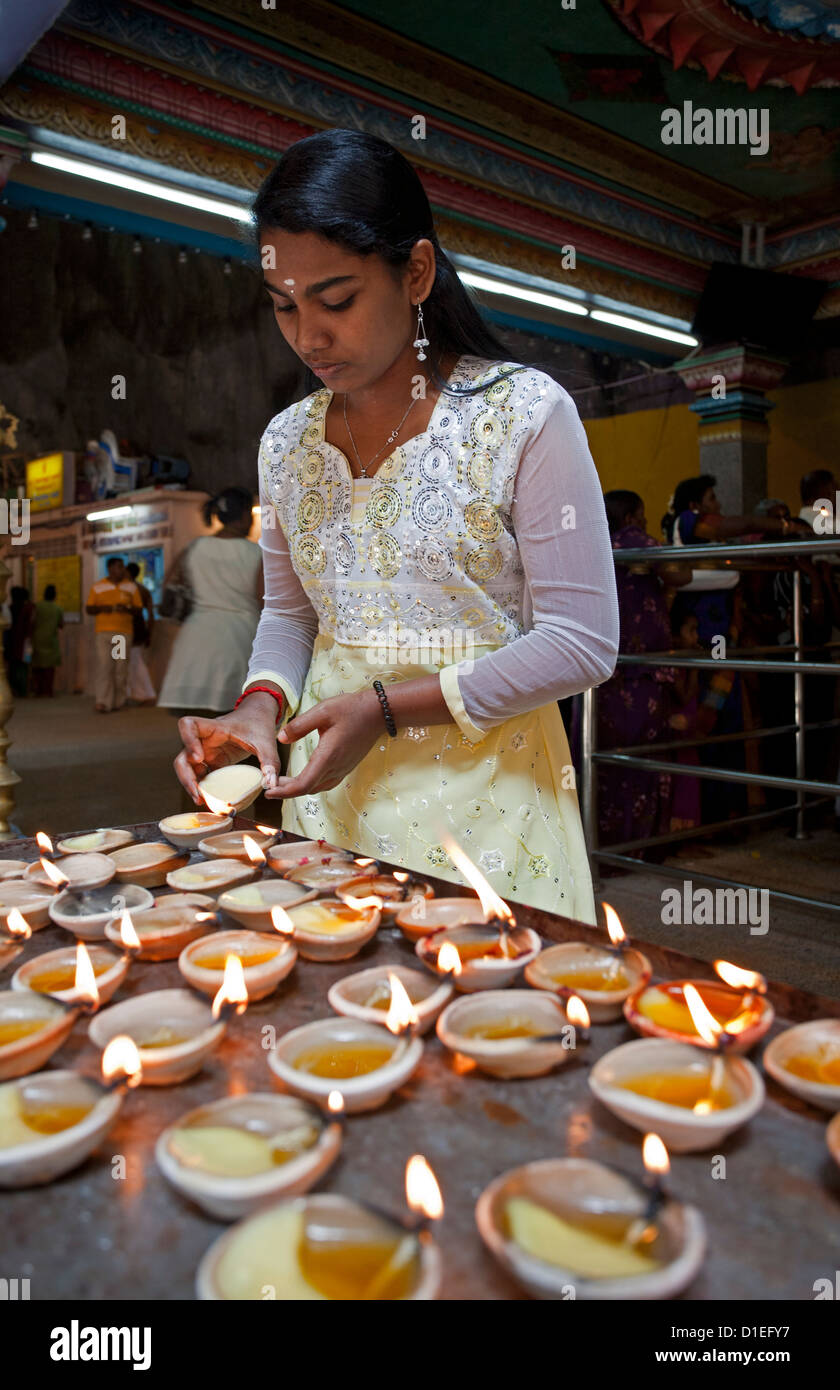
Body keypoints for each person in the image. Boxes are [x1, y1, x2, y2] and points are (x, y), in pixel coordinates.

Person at [172, 128, 620, 923]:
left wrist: (382, 708)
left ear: (415, 273)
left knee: (486, 1024)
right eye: (285, 306)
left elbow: (582, 640)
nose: (308, 335)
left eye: (336, 300)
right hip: (333, 795)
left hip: (492, 802)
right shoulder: (287, 442)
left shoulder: (520, 414)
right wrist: (259, 705)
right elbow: (292, 612)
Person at [589, 490, 692, 856]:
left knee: (605, 760)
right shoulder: (634, 540)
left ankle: (607, 846)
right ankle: (641, 846)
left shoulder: (593, 541)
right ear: (632, 517)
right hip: (640, 672)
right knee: (643, 759)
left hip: (604, 669)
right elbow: (681, 573)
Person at [157, 488, 262, 716]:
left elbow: (169, 586)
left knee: (196, 730)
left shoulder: (194, 548)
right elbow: (266, 601)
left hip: (195, 642)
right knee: (243, 723)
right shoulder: (257, 553)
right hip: (240, 641)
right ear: (245, 515)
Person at [85, 556, 142, 713]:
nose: (121, 570)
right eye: (118, 566)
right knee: (104, 666)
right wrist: (104, 608)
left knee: (119, 668)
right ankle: (102, 701)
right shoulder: (98, 587)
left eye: (122, 567)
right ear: (109, 568)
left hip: (122, 634)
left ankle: (118, 701)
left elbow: (138, 609)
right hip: (103, 632)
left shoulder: (131, 587)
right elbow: (89, 609)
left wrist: (127, 609)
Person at [125, 561, 156, 704]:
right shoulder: (143, 589)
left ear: (127, 573)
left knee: (133, 662)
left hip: (130, 630)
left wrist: (148, 633)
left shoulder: (129, 589)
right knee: (131, 661)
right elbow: (150, 615)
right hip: (137, 629)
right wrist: (149, 632)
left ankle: (146, 694)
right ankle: (131, 694)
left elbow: (150, 614)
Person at [30, 583, 64, 697]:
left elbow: (32, 621)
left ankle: (38, 690)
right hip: (51, 639)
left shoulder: (37, 606)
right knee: (49, 668)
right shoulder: (57, 608)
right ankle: (48, 691)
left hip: (38, 638)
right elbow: (61, 624)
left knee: (38, 665)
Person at [5, 586, 34, 697]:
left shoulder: (12, 608)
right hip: (26, 641)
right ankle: (23, 689)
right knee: (24, 665)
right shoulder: (29, 608)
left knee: (14, 665)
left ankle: (17, 689)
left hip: (15, 641)